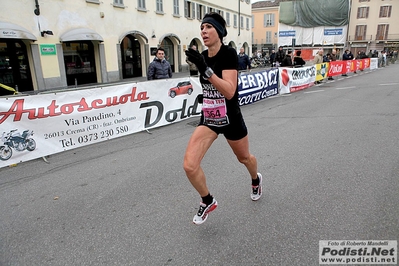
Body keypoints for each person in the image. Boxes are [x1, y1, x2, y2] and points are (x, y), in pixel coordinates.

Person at [184, 12, 262, 225]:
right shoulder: (202, 55)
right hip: (210, 117)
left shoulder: (229, 53)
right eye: (201, 28)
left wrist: (205, 69)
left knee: (244, 158)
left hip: (230, 118)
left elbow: (229, 91)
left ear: (219, 31)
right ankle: (207, 200)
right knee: (190, 165)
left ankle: (255, 179)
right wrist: (205, 94)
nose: (203, 31)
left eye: (208, 27)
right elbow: (212, 86)